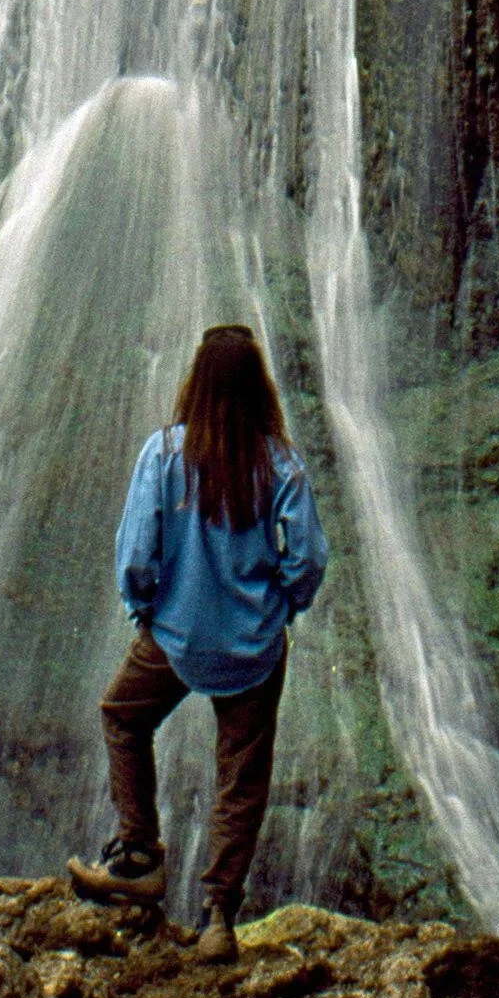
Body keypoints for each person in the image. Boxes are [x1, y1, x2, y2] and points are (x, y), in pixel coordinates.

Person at [67, 323, 328, 959]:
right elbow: (310, 558)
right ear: (259, 389)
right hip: (253, 643)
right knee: (240, 778)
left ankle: (139, 853)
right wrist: (283, 607)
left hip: (178, 636)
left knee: (122, 717)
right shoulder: (281, 464)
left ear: (197, 383)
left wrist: (144, 611)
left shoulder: (163, 455)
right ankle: (218, 917)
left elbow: (135, 555)